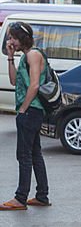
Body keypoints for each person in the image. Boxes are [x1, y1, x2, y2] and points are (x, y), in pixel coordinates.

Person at [0, 21, 50, 210]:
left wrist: (23, 109)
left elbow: (35, 85)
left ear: (22, 38)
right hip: (30, 111)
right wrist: (10, 57)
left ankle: (20, 198)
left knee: (24, 155)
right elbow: (14, 81)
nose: (10, 41)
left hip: (31, 111)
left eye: (12, 37)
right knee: (35, 153)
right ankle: (42, 195)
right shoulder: (25, 57)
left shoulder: (34, 55)